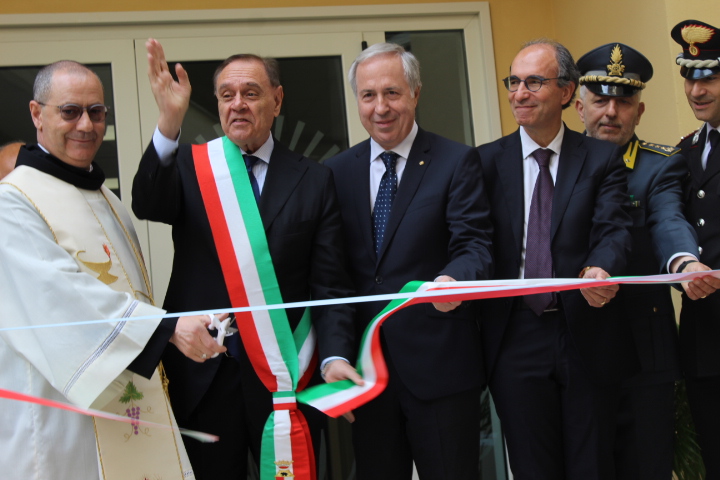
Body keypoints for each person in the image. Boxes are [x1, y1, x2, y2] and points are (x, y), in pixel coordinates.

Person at [132, 39, 355, 479]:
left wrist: (334, 355)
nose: (238, 105)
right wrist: (168, 122)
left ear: (277, 99)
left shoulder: (314, 178)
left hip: (284, 373)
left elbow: (330, 285)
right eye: (226, 95)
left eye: (251, 93)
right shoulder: (191, 166)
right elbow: (146, 203)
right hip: (204, 372)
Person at [0, 61, 224, 480]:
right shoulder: (13, 202)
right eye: (70, 111)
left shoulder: (105, 197)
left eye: (96, 112)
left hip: (127, 398)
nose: (86, 124)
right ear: (36, 114)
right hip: (62, 414)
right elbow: (58, 296)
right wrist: (165, 329)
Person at [322, 42, 493, 479]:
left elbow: (474, 246)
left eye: (392, 93)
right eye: (368, 95)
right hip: (365, 376)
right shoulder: (336, 172)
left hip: (440, 370)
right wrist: (334, 355)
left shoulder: (456, 161)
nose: (380, 107)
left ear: (415, 93)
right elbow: (333, 276)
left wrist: (453, 280)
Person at [478, 39, 636, 480]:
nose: (520, 93)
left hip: (583, 329)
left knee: (593, 465)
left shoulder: (601, 159)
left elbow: (614, 229)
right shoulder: (485, 162)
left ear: (566, 92)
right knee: (532, 468)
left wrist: (602, 266)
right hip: (515, 337)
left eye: (533, 82)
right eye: (514, 82)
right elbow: (474, 243)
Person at [575, 42, 717, 480]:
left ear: (640, 111)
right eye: (600, 101)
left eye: (624, 102)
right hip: (573, 348)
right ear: (579, 107)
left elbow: (668, 221)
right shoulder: (559, 166)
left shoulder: (661, 166)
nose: (611, 112)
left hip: (644, 352)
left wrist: (685, 262)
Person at [672, 19, 720, 480]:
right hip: (705, 341)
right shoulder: (687, 150)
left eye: (709, 77)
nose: (697, 89)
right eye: (690, 76)